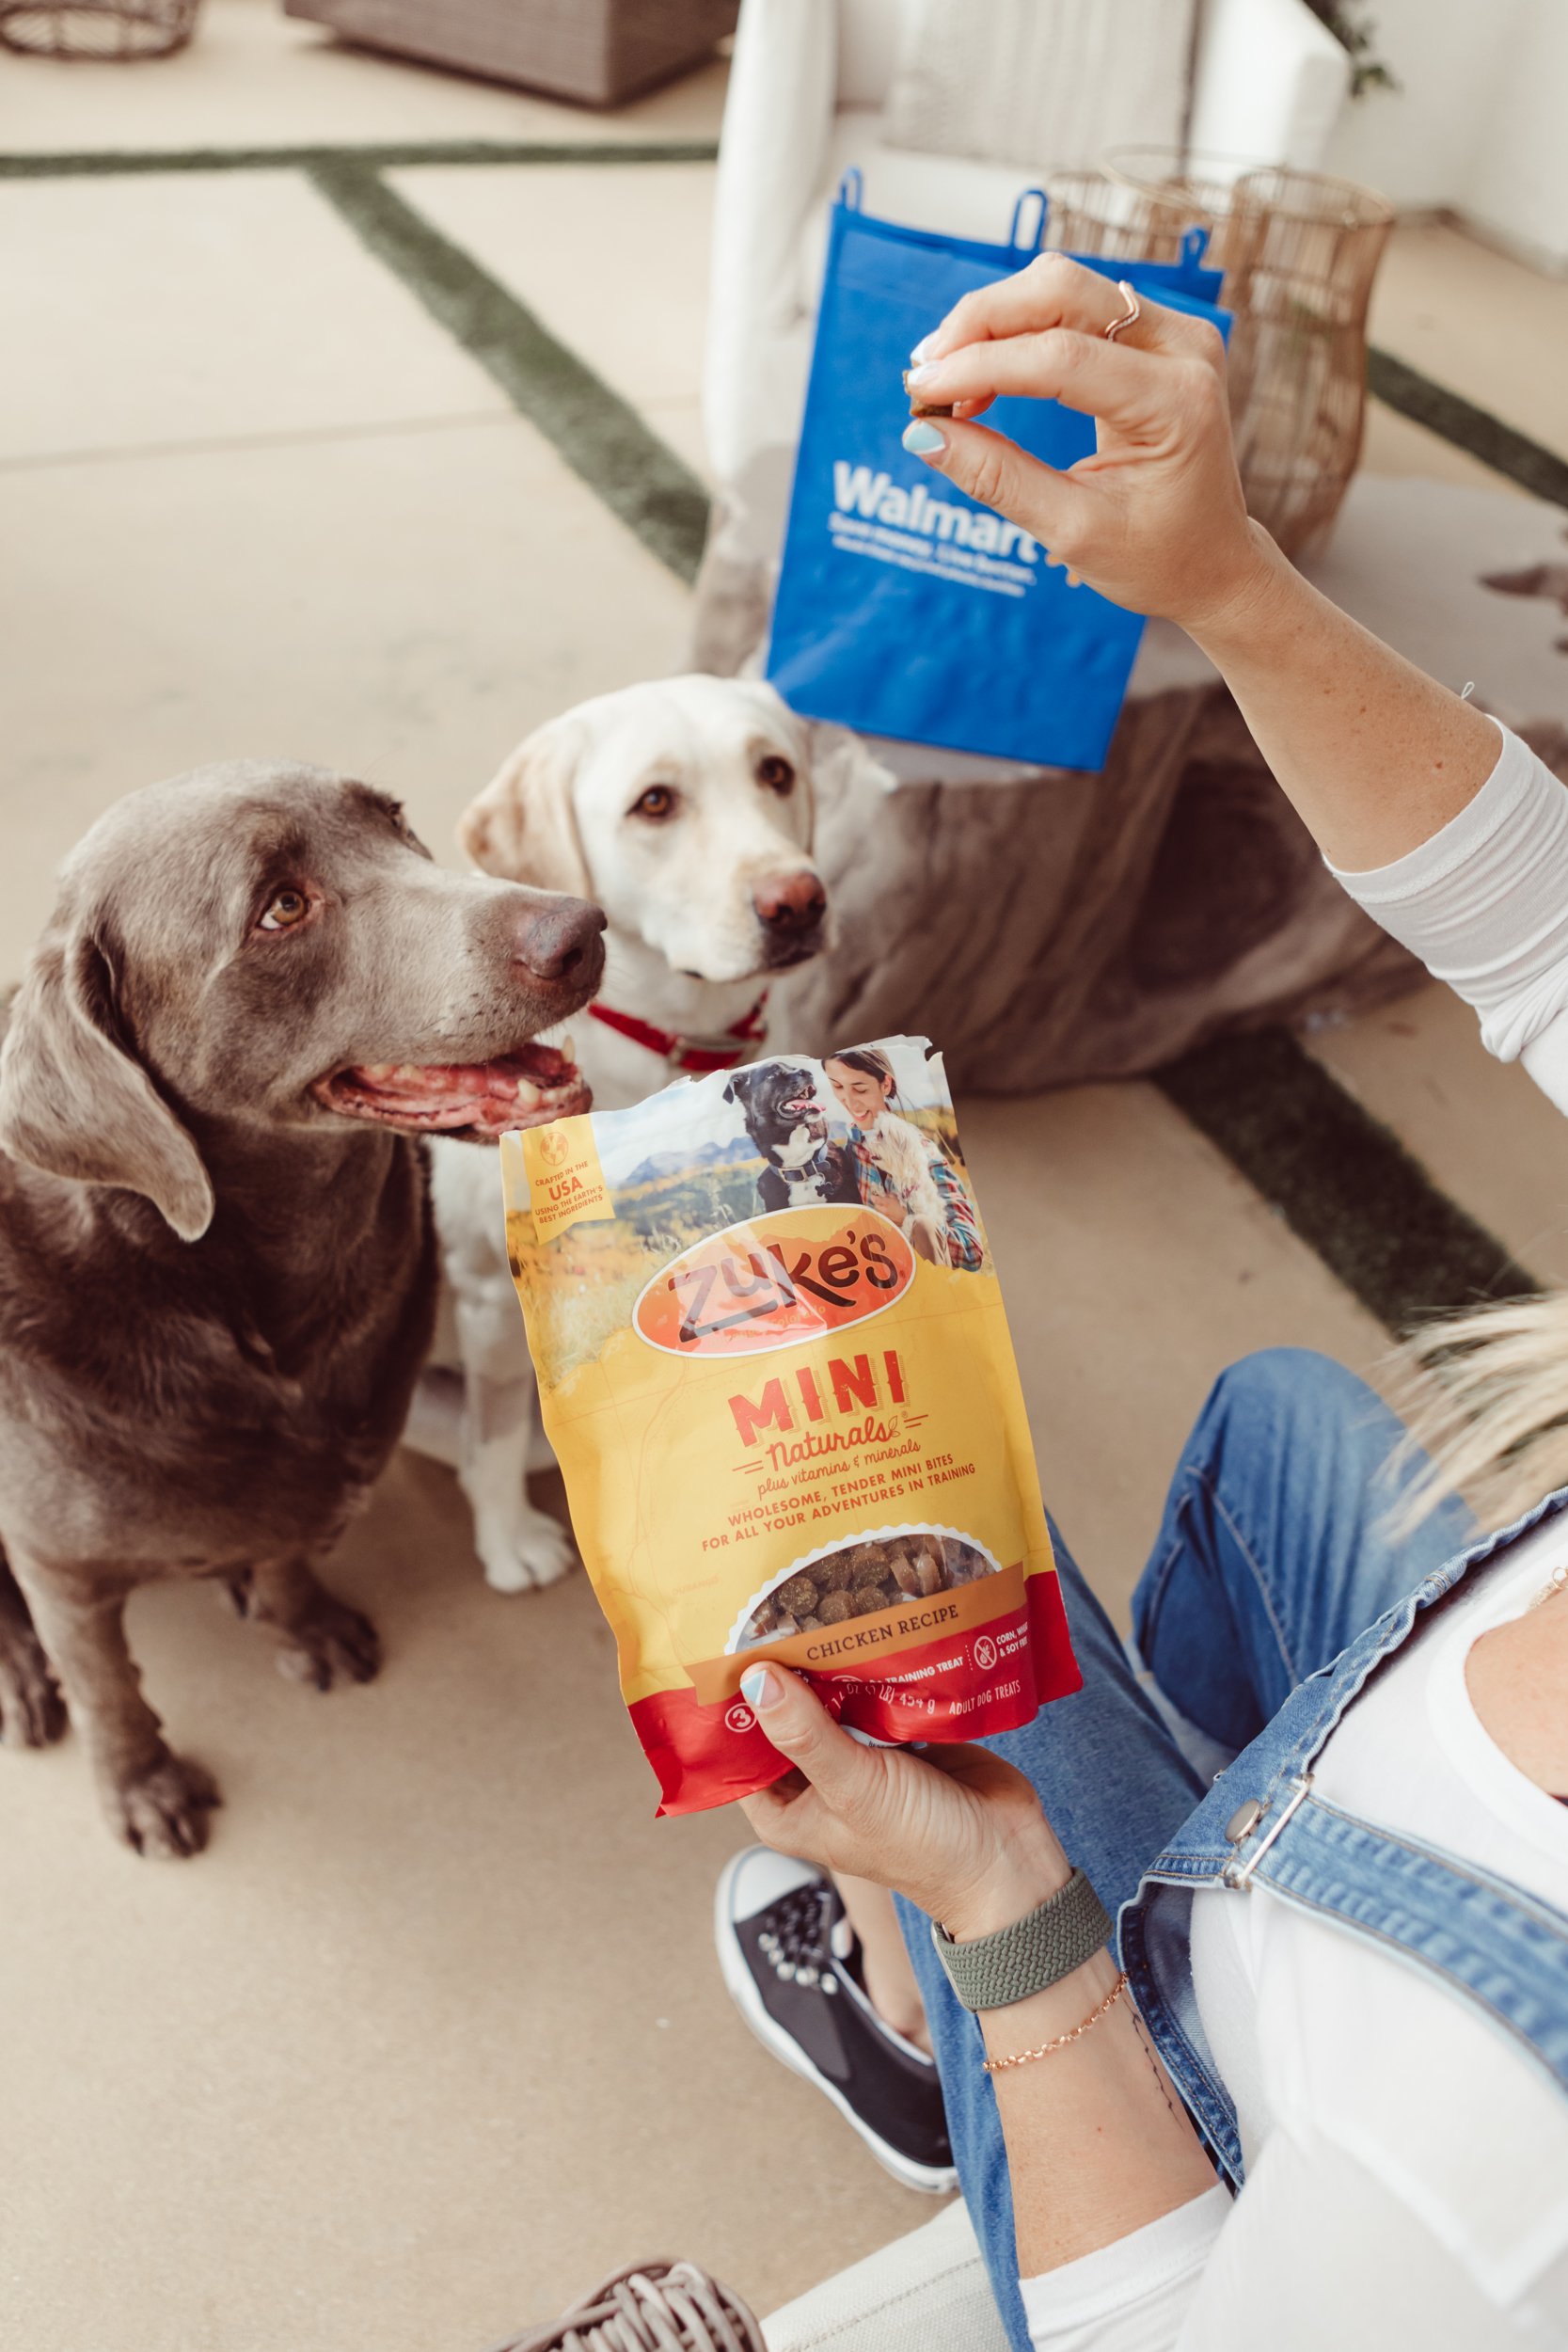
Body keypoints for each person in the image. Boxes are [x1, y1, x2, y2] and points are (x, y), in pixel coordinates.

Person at [713, 255, 1568, 2349]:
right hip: (1377, 1903)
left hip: (1246, 2168)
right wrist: (1225, 579)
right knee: (1280, 1418)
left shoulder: (1479, 2172)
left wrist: (1002, 1905)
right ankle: (1175, 1830)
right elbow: (1537, 920)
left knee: (931, 1591)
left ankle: (928, 2014)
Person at [823, 1044, 984, 1269]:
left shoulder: (922, 1152)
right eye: (838, 1087)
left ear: (885, 1084)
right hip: (872, 1282)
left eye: (860, 1089)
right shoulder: (842, 1155)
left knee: (922, 1224)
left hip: (927, 1286)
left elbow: (972, 1253)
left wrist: (907, 1218)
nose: (849, 1101)